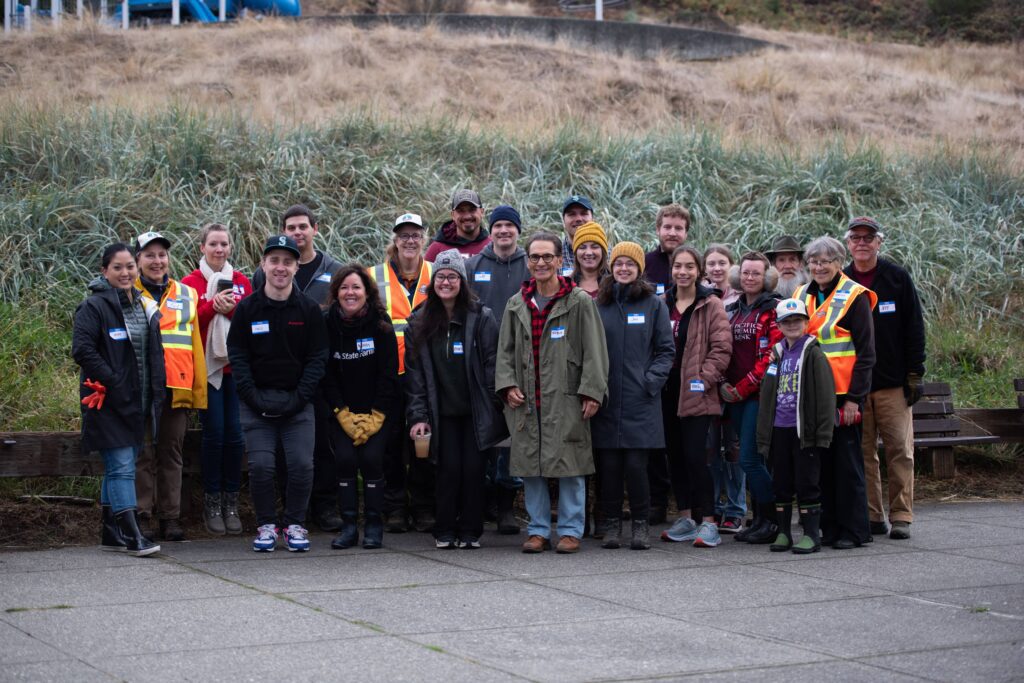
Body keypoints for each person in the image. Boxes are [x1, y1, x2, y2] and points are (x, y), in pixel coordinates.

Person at [496, 232, 609, 554]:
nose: (541, 262)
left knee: (571, 464)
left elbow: (595, 352)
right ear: (527, 261)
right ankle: (538, 530)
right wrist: (506, 386)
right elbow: (504, 352)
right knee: (531, 467)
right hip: (527, 399)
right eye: (535, 257)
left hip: (566, 396)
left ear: (561, 261)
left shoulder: (579, 301)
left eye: (548, 257)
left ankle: (571, 530)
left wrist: (592, 392)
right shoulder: (516, 304)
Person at [228, 235, 328, 553]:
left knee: (301, 464)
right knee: (261, 466)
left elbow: (317, 358)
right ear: (263, 264)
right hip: (256, 403)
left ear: (297, 267)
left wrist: (299, 397)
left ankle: (295, 524)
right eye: (275, 261)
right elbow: (238, 356)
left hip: (298, 403)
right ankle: (267, 525)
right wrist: (253, 397)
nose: (280, 268)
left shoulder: (309, 310)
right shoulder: (247, 309)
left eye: (287, 262)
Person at [405, 250, 508, 549]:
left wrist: (492, 403)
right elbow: (415, 377)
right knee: (447, 469)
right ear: (433, 281)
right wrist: (418, 416)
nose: (446, 282)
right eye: (441, 276)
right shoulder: (419, 321)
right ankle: (445, 529)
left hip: (475, 409)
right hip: (441, 412)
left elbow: (492, 363)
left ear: (462, 281)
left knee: (474, 471)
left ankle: (471, 531)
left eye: (452, 276)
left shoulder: (481, 317)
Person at [252, 204, 343, 532]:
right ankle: (294, 512)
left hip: (322, 372)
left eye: (303, 226)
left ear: (315, 229)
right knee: (283, 449)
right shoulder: (264, 273)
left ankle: (325, 505)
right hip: (279, 375)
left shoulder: (334, 269)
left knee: (322, 444)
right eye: (291, 227)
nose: (297, 232)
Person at [73, 243, 165, 557]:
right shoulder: (94, 306)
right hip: (108, 400)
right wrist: (113, 381)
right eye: (117, 267)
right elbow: (82, 350)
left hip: (140, 401)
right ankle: (132, 532)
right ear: (104, 271)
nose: (125, 273)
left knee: (119, 466)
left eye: (130, 267)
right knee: (123, 466)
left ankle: (111, 531)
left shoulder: (143, 305)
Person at [843, 217, 925, 540]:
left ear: (880, 242)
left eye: (868, 238)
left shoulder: (897, 278)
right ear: (848, 244)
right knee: (862, 454)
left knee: (900, 451)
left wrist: (915, 373)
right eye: (856, 238)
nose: (862, 243)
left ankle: (902, 515)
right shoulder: (842, 281)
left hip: (893, 384)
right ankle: (872, 515)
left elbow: (915, 329)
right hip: (855, 387)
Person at [795, 235, 877, 550]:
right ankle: (828, 527)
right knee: (820, 465)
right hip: (812, 395)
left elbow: (866, 354)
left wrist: (857, 399)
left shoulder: (855, 296)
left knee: (847, 464)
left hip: (845, 396)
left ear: (838, 263)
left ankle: (855, 530)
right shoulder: (802, 294)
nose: (819, 267)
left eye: (825, 261)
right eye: (814, 261)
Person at [592, 242, 675, 550]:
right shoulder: (598, 305)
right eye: (618, 263)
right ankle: (611, 524)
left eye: (630, 264)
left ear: (639, 269)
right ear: (611, 268)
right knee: (610, 467)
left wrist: (650, 381)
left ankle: (640, 526)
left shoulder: (654, 305)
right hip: (607, 400)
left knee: (637, 467)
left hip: (641, 400)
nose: (623, 268)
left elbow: (666, 351)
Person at [134, 231, 207, 542]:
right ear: (137, 259)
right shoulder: (127, 292)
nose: (157, 261)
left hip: (177, 389)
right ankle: (142, 516)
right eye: (149, 255)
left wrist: (197, 392)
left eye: (161, 255)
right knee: (142, 454)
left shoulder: (186, 293)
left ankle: (170, 517)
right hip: (141, 391)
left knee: (171, 454)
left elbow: (195, 347)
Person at [181, 223, 253, 536]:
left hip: (236, 370)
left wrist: (234, 310)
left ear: (230, 247)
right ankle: (211, 502)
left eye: (224, 244)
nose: (219, 249)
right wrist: (212, 306)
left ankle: (231, 502)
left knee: (236, 437)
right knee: (214, 436)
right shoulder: (189, 283)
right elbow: (188, 324)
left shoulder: (241, 281)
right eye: (213, 244)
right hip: (206, 371)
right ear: (202, 248)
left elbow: (252, 322)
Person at [322, 265, 400, 550]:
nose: (350, 292)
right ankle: (349, 526)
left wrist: (377, 415)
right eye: (344, 287)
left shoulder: (381, 323)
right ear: (336, 293)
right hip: (341, 412)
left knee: (371, 460)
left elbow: (389, 372)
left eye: (356, 287)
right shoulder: (326, 322)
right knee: (344, 461)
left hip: (376, 412)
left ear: (367, 292)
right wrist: (341, 413)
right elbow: (325, 373)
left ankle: (374, 525)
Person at [660, 246, 732, 548]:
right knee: (674, 458)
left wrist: (702, 379)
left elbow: (722, 348)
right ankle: (687, 518)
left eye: (689, 267)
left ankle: (709, 521)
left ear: (698, 271)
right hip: (666, 392)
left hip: (696, 392)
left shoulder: (711, 304)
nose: (683, 272)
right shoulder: (662, 303)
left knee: (696, 457)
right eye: (678, 266)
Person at [370, 212, 436, 534]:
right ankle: (394, 506)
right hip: (388, 375)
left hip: (426, 376)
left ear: (424, 238)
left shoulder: (437, 274)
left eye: (415, 235)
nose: (410, 241)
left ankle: (423, 506)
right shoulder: (374, 276)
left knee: (424, 443)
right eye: (403, 235)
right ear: (394, 240)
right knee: (391, 444)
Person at [466, 205, 528, 535]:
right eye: (499, 225)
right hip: (481, 361)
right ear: (491, 231)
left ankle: (506, 505)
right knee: (484, 431)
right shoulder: (474, 264)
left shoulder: (529, 264)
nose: (504, 231)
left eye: (510, 226)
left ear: (518, 230)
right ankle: (484, 499)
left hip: (520, 362)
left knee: (512, 436)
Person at [756, 299, 835, 554]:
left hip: (804, 431)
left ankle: (812, 534)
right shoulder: (777, 354)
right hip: (779, 428)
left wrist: (822, 432)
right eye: (787, 321)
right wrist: (763, 432)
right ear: (779, 325)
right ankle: (783, 532)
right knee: (781, 482)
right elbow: (767, 393)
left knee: (807, 482)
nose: (792, 325)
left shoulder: (813, 353)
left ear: (806, 322)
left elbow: (825, 395)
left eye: (797, 320)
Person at [719, 252, 782, 544]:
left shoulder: (774, 309)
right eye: (745, 273)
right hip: (735, 396)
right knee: (748, 459)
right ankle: (759, 521)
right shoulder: (734, 309)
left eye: (756, 273)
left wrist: (742, 387)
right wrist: (724, 384)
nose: (750, 278)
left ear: (766, 277)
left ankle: (775, 519)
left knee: (750, 460)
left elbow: (772, 357)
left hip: (759, 395)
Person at [700, 243, 743, 530]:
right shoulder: (699, 297)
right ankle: (713, 505)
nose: (716, 268)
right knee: (710, 448)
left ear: (731, 266)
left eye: (722, 263)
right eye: (711, 263)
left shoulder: (742, 298)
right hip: (707, 384)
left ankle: (736, 507)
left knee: (735, 448)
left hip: (737, 385)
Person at [424, 189, 491, 262]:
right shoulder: (437, 248)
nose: (467, 216)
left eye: (472, 210)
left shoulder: (492, 246)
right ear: (453, 215)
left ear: (482, 212)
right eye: (461, 211)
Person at [644, 204, 690, 295]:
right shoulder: (643, 263)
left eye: (678, 228)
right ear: (658, 230)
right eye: (667, 227)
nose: (672, 233)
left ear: (686, 233)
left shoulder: (697, 265)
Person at [571, 221, 609, 298]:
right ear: (576, 253)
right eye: (582, 247)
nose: (588, 252)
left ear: (603, 251)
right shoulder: (566, 286)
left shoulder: (616, 283)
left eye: (594, 247)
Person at [559, 195, 594, 276]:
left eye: (584, 213)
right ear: (563, 220)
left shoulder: (608, 254)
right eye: (572, 214)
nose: (578, 219)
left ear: (593, 219)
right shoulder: (554, 254)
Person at [767, 235, 808, 299]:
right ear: (773, 265)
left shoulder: (812, 293)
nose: (787, 266)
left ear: (800, 264)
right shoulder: (765, 295)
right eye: (781, 260)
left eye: (792, 259)